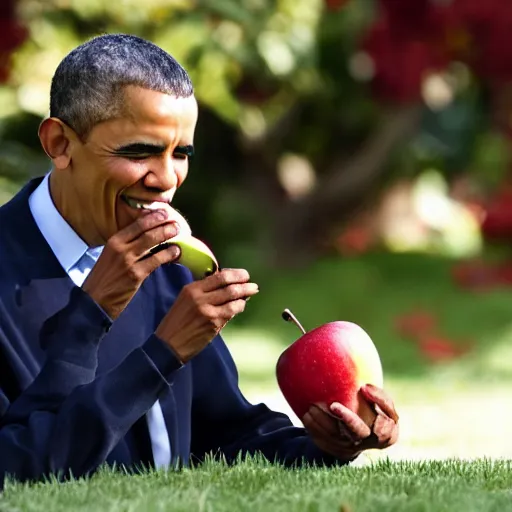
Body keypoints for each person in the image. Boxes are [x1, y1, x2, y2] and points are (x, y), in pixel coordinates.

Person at [0, 34, 399, 487]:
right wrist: (144, 344)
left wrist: (326, 446)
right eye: (139, 151)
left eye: (181, 153)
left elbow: (226, 434)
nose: (167, 179)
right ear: (60, 143)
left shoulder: (167, 265)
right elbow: (17, 466)